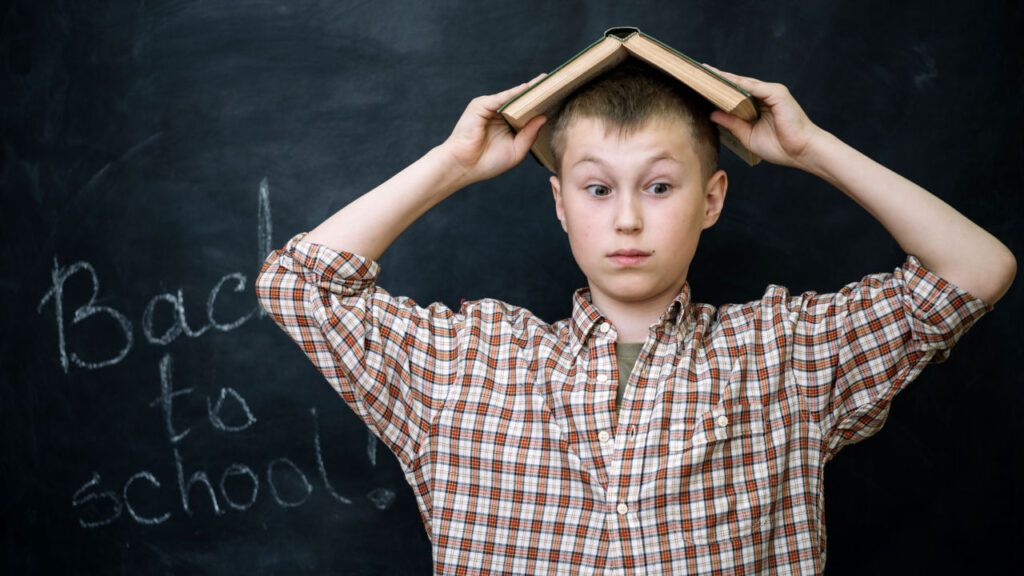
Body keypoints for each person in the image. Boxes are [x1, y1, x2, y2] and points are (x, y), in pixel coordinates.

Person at [255, 61, 1015, 573]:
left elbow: (977, 271)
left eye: (658, 188)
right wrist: (452, 165)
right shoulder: (466, 363)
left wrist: (812, 149)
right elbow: (297, 285)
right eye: (595, 189)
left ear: (711, 199)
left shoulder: (787, 354)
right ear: (559, 204)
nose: (626, 221)